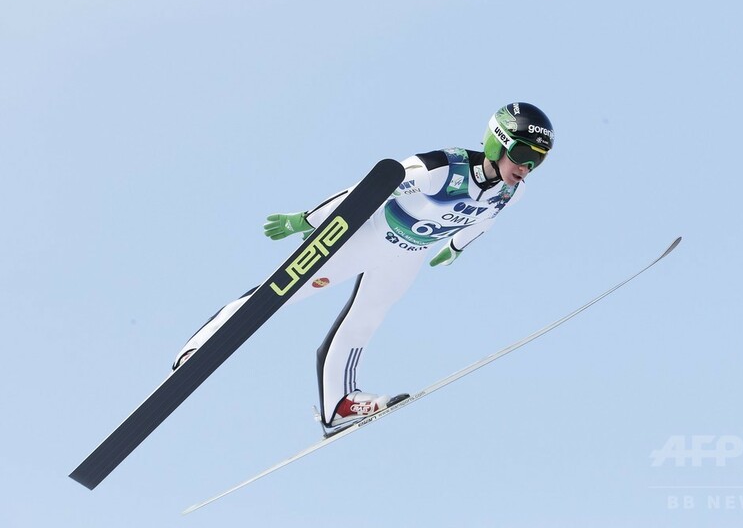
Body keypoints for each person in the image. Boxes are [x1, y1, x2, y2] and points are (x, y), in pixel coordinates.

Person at [172, 102, 554, 432]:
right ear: (496, 142)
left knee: (368, 316)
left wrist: (456, 247)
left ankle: (339, 404)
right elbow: (368, 189)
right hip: (368, 237)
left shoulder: (511, 193)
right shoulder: (439, 168)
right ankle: (199, 349)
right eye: (522, 153)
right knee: (280, 293)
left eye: (537, 160)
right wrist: (308, 219)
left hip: (409, 253)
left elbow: (484, 219)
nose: (526, 167)